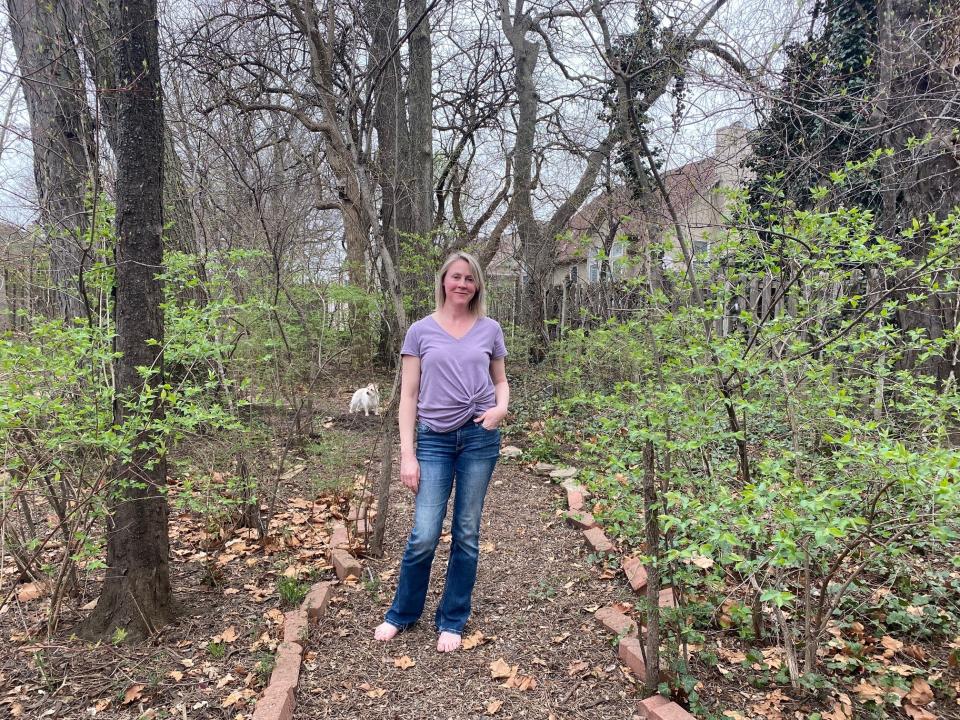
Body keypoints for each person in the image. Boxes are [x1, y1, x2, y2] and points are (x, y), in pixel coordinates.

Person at [374, 251, 510, 653]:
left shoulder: (490, 329)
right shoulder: (420, 331)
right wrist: (407, 454)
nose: (462, 284)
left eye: (470, 278)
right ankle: (402, 612)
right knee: (424, 533)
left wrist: (500, 408)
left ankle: (452, 618)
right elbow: (409, 397)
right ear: (444, 282)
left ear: (477, 285)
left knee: (467, 532)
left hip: (479, 439)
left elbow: (500, 382)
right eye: (456, 277)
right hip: (433, 438)